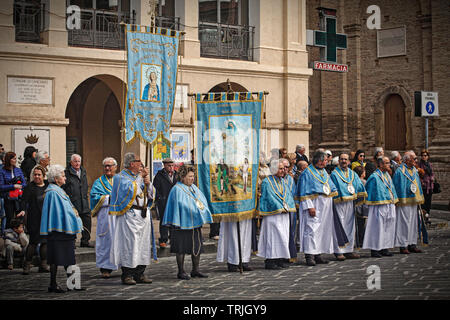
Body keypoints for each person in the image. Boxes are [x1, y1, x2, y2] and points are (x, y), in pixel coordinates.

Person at [109, 152, 155, 285]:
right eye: (138, 161)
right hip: (130, 215)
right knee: (130, 244)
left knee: (143, 244)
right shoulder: (120, 177)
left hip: (143, 214)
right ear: (131, 163)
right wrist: (140, 177)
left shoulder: (139, 177)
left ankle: (140, 272)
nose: (141, 164)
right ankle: (127, 274)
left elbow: (149, 194)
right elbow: (129, 190)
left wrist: (148, 184)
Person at [296, 150, 347, 266]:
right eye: (325, 160)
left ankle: (318, 253)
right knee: (312, 229)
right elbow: (304, 192)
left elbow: (330, 186)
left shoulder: (323, 171)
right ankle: (309, 255)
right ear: (319, 160)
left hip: (325, 206)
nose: (326, 162)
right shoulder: (307, 173)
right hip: (314, 204)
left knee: (322, 230)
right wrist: (310, 207)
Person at [162, 165, 213, 280]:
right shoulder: (177, 189)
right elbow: (180, 205)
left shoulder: (194, 187)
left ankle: (195, 270)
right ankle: (181, 271)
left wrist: (202, 209)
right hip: (181, 223)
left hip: (195, 223)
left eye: (193, 176)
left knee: (197, 247)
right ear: (183, 177)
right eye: (190, 176)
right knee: (181, 248)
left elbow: (201, 200)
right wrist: (193, 209)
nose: (192, 178)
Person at [40, 164, 83, 293]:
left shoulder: (58, 190)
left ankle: (73, 284)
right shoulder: (53, 192)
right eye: (63, 176)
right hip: (59, 231)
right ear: (56, 178)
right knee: (55, 258)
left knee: (68, 258)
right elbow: (57, 213)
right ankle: (53, 284)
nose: (65, 178)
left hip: (64, 231)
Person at [257, 160, 296, 269]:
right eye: (280, 168)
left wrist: (287, 205)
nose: (283, 170)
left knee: (283, 237)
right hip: (273, 214)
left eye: (283, 168)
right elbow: (268, 196)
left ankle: (279, 258)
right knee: (273, 237)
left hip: (283, 214)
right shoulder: (266, 182)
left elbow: (287, 195)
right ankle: (270, 260)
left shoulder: (283, 181)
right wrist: (279, 207)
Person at [330, 153, 367, 261]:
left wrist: (358, 195)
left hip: (350, 203)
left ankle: (349, 250)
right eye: (341, 159)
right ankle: (339, 251)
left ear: (349, 161)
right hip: (339, 203)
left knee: (350, 225)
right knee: (340, 225)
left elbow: (358, 185)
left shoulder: (352, 174)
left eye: (345, 159)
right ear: (339, 161)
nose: (343, 161)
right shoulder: (334, 174)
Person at [363, 157, 398, 258]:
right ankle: (375, 249)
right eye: (387, 163)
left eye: (389, 163)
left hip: (388, 204)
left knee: (387, 227)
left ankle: (384, 247)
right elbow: (370, 190)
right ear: (381, 164)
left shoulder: (387, 175)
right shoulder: (374, 176)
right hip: (378, 206)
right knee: (377, 228)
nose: (389, 165)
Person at [90, 157, 118, 278]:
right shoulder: (99, 182)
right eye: (105, 166)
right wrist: (108, 198)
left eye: (110, 165)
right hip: (106, 214)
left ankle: (123, 265)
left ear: (115, 167)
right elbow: (94, 197)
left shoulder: (120, 180)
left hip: (119, 215)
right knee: (106, 240)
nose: (107, 168)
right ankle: (105, 267)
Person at [19, 165, 49, 274]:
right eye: (35, 174)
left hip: (46, 218)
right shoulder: (29, 187)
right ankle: (27, 264)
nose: (36, 176)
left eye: (39, 175)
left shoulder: (48, 186)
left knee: (45, 242)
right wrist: (22, 210)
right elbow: (23, 201)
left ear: (43, 176)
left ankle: (43, 264)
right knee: (33, 242)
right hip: (34, 218)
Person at [393, 151, 425, 254]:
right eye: (414, 159)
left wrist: (419, 197)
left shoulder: (415, 170)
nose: (416, 161)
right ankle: (403, 245)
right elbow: (397, 186)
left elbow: (418, 184)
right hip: (404, 201)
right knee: (404, 223)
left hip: (414, 200)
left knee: (413, 223)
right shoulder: (400, 171)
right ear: (407, 160)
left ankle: (412, 243)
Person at [63, 154, 91, 248]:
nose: (77, 163)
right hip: (73, 202)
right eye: (75, 161)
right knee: (73, 222)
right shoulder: (67, 173)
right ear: (71, 162)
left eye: (79, 161)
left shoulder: (83, 171)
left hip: (84, 201)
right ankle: (72, 242)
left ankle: (85, 241)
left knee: (87, 221)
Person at [153, 158, 179, 248]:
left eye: (172, 165)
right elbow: (155, 189)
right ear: (164, 165)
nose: (171, 167)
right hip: (163, 201)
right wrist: (160, 198)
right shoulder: (159, 175)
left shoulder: (177, 175)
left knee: (174, 220)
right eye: (169, 166)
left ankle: (173, 238)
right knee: (164, 221)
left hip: (175, 201)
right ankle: (163, 239)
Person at [0, 152, 27, 229]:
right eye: (14, 158)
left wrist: (20, 185)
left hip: (19, 197)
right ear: (9, 160)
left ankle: (19, 237)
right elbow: (1, 187)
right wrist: (13, 186)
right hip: (8, 198)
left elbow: (24, 183)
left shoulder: (18, 170)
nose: (15, 160)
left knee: (20, 218)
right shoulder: (2, 171)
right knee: (9, 218)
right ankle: (9, 236)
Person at [353, 165, 369, 248]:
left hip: (357, 206)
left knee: (358, 225)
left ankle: (359, 241)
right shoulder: (363, 182)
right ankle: (360, 241)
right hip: (362, 206)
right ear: (362, 174)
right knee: (361, 225)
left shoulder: (354, 181)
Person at [418, 149, 434, 219]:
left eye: (425, 155)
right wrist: (422, 181)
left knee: (428, 202)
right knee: (423, 202)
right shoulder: (419, 164)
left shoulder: (429, 164)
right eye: (422, 155)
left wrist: (432, 178)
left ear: (428, 156)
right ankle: (423, 216)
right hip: (423, 185)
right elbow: (418, 174)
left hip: (429, 186)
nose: (424, 157)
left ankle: (427, 214)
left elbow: (432, 173)